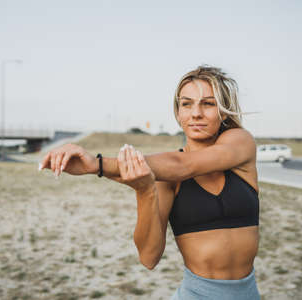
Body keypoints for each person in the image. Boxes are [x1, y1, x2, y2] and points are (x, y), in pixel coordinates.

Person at [40, 65, 260, 299]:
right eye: (186, 104)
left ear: (224, 112)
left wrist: (97, 164)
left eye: (208, 103)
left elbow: (184, 165)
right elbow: (148, 257)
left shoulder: (240, 143)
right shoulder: (164, 177)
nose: (196, 113)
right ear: (178, 113)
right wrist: (145, 191)